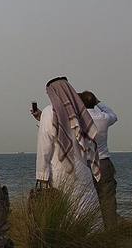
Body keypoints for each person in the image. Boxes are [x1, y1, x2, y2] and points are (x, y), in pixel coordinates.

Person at [34, 77, 101, 222]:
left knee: (65, 215)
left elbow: (44, 148)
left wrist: (42, 176)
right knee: (87, 212)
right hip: (82, 168)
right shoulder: (79, 111)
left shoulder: (49, 112)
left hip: (60, 171)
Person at [80, 91, 119, 227]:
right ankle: (111, 231)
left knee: (86, 198)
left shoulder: (79, 119)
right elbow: (114, 115)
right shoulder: (104, 117)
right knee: (108, 199)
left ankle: (92, 230)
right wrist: (99, 102)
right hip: (103, 160)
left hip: (85, 162)